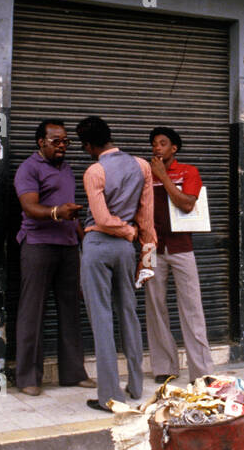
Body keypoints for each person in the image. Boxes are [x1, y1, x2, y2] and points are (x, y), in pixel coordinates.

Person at [77, 116, 156, 410]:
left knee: (101, 319)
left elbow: (101, 219)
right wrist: (146, 259)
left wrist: (125, 230)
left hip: (98, 246)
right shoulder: (142, 166)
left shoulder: (94, 171)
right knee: (129, 314)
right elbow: (147, 218)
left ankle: (110, 396)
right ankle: (136, 387)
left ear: (89, 145)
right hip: (125, 250)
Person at [13, 120, 92, 396]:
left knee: (70, 309)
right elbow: (30, 206)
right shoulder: (29, 168)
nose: (62, 146)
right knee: (32, 310)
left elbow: (72, 211)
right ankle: (27, 378)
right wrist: (58, 212)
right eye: (56, 141)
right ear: (41, 142)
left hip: (68, 246)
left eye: (65, 141)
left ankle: (73, 373)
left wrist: (85, 240)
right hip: (38, 245)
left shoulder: (66, 167)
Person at [146, 126, 214, 386]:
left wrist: (163, 177)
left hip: (182, 247)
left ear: (174, 148)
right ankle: (164, 367)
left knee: (192, 308)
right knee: (155, 307)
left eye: (162, 143)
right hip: (153, 246)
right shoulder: (145, 173)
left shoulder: (188, 171)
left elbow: (187, 203)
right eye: (154, 144)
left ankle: (202, 370)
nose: (157, 148)